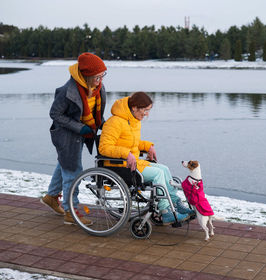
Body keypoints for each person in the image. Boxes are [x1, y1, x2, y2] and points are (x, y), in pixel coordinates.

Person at [98, 91, 194, 225]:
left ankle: (175, 203)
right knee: (158, 173)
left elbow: (133, 143)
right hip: (119, 166)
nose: (147, 114)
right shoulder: (114, 122)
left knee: (164, 169)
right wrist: (126, 154)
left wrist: (149, 146)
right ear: (134, 108)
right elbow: (104, 147)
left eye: (148, 110)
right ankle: (165, 211)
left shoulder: (134, 121)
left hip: (133, 163)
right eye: (145, 110)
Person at [41, 52, 107, 225]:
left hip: (82, 133)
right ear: (86, 75)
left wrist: (105, 126)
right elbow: (55, 114)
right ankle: (71, 211)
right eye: (97, 77)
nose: (100, 80)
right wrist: (80, 127)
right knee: (73, 171)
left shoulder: (98, 89)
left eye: (102, 75)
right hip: (66, 135)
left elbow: (96, 113)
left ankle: (51, 196)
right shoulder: (67, 91)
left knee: (65, 164)